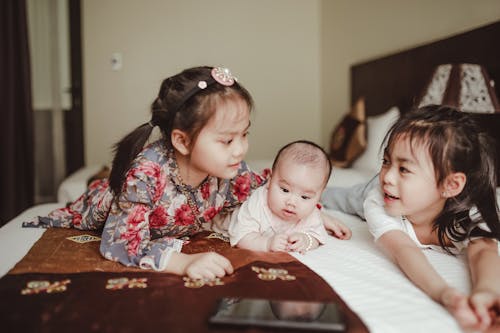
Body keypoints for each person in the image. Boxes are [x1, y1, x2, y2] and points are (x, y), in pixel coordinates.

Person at [24, 66, 269, 279]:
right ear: (182, 141)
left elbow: (270, 187)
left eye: (245, 134)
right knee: (102, 187)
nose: (241, 149)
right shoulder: (145, 174)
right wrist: (182, 262)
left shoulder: (232, 172)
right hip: (102, 201)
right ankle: (101, 177)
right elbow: (120, 243)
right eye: (227, 140)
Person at [326, 105, 500, 331]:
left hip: (405, 198)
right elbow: (403, 249)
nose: (387, 176)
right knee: (330, 195)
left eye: (404, 169)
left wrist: (487, 291)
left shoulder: (470, 210)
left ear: (451, 185)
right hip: (366, 194)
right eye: (386, 161)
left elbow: (483, 251)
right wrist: (444, 293)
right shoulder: (378, 197)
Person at [229, 140, 351, 253]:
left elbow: (317, 236)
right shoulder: (257, 202)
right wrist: (266, 243)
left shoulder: (311, 213)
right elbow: (241, 236)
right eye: (285, 190)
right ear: (270, 180)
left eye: (305, 197)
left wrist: (306, 240)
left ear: (319, 196)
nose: (291, 202)